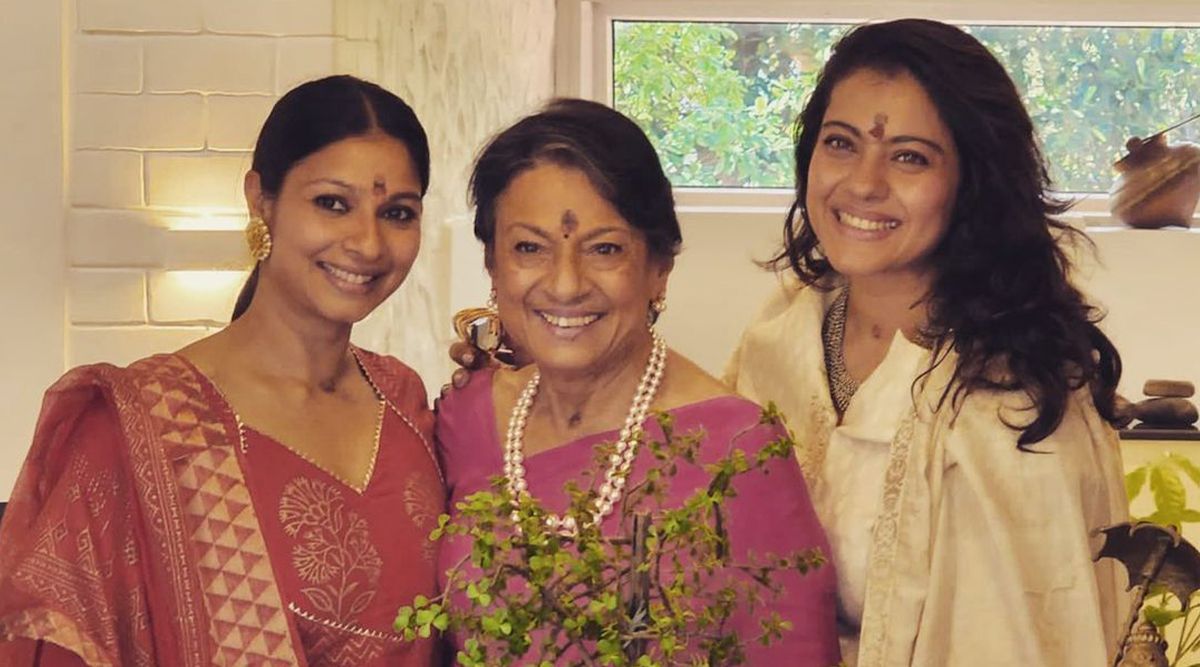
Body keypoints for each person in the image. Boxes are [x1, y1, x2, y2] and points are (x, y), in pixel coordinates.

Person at [724, 19, 1130, 666]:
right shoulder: (779, 336)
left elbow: (1034, 638)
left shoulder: (1015, 400)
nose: (862, 183)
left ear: (973, 183)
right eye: (840, 143)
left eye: (910, 156)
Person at [0, 75, 445, 666]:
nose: (367, 243)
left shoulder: (404, 400)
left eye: (397, 212)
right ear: (262, 199)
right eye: (332, 203)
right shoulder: (138, 423)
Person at [436, 99, 841, 664]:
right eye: (530, 248)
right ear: (493, 265)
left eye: (605, 249)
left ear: (659, 268)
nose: (566, 284)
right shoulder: (466, 416)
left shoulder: (737, 451)